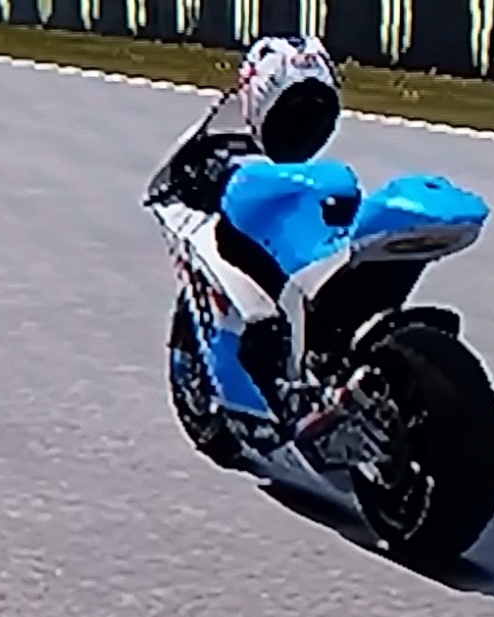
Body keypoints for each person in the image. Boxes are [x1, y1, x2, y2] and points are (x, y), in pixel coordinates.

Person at [147, 36, 348, 399]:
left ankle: (284, 372)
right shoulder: (306, 173)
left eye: (310, 113)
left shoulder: (251, 176)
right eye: (296, 112)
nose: (302, 124)